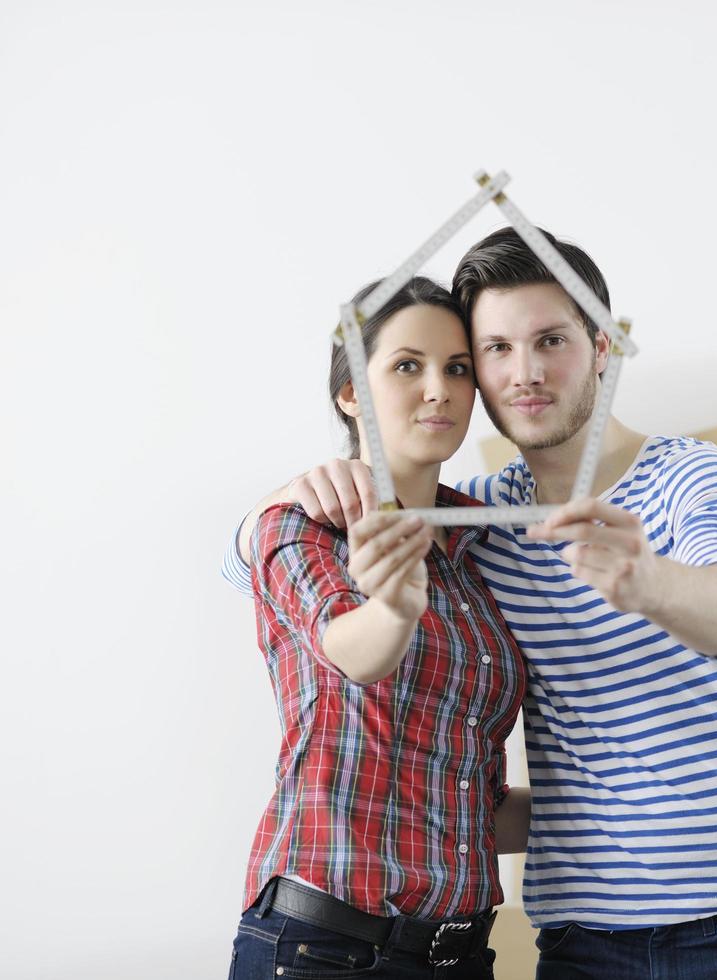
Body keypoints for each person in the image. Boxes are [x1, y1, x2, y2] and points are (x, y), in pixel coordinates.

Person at [225, 231, 717, 979]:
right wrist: (279, 501)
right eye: (495, 351)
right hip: (583, 940)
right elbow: (258, 563)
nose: (526, 372)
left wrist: (646, 581)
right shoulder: (477, 524)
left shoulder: (695, 476)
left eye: (551, 340)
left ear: (603, 347)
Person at [230, 276, 528, 979]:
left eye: (457, 368)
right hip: (322, 949)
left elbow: (471, 800)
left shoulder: (483, 549)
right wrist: (397, 601)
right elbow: (352, 651)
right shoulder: (300, 525)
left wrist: (640, 800)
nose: (439, 389)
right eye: (406, 365)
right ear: (349, 394)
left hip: (460, 953)